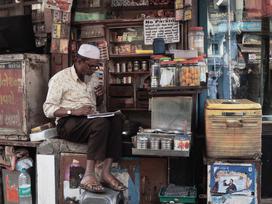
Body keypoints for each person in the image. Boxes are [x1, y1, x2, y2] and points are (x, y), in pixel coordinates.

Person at [43, 44, 127, 193]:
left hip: (90, 121)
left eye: (96, 67)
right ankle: (89, 175)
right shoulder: (60, 79)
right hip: (68, 123)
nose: (94, 70)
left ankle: (105, 173)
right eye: (91, 66)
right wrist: (73, 111)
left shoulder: (93, 78)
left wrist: (100, 98)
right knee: (100, 123)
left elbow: (98, 107)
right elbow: (48, 109)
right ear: (79, 60)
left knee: (117, 119)